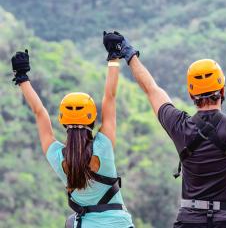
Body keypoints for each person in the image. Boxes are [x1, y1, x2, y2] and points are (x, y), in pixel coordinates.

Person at [100, 3, 226, 227]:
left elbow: (151, 89)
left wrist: (129, 53)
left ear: (192, 94)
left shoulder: (180, 126)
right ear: (222, 90)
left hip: (190, 220)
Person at [11, 34, 135, 228]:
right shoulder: (104, 145)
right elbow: (109, 97)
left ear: (62, 121)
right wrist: (113, 57)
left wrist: (22, 78)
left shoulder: (58, 157)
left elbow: (39, 113)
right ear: (93, 119)